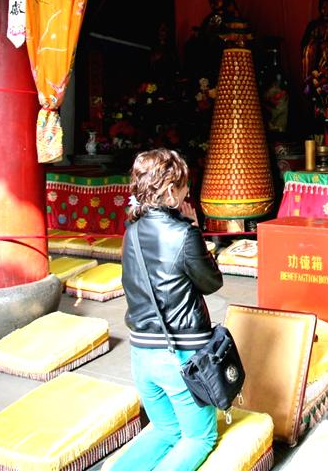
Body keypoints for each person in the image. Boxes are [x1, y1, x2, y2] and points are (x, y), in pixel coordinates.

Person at [114, 149, 223, 471]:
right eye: (185, 185)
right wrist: (193, 228)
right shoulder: (184, 234)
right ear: (171, 190)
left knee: (165, 431)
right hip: (178, 355)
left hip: (141, 353)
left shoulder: (131, 230)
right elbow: (211, 282)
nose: (189, 191)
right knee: (198, 439)